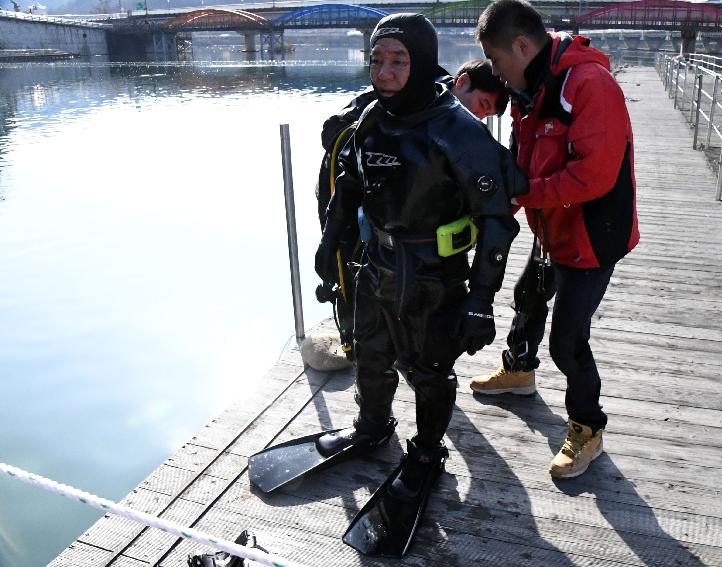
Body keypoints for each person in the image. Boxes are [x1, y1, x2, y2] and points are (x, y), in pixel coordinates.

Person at [249, 13, 526, 557]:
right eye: (377, 60)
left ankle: (425, 453)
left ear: (420, 62)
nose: (385, 71)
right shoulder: (371, 120)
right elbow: (347, 188)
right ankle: (372, 426)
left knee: (429, 370)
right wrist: (331, 244)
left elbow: (497, 219)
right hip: (375, 264)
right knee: (371, 354)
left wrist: (480, 302)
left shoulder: (457, 131)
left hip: (432, 277)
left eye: (398, 61)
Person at [470, 0, 639, 480]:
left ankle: (588, 427)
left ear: (521, 46)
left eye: (497, 61)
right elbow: (524, 166)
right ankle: (520, 372)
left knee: (568, 342)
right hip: (553, 228)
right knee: (528, 296)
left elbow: (594, 176)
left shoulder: (588, 85)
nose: (496, 74)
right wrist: (498, 201)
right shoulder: (532, 89)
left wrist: (524, 193)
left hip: (591, 236)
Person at [314, 60, 510, 358]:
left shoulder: (460, 130)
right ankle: (354, 343)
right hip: (355, 200)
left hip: (418, 250)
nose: (479, 117)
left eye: (487, 114)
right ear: (462, 82)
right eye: (481, 104)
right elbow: (332, 131)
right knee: (350, 270)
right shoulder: (412, 91)